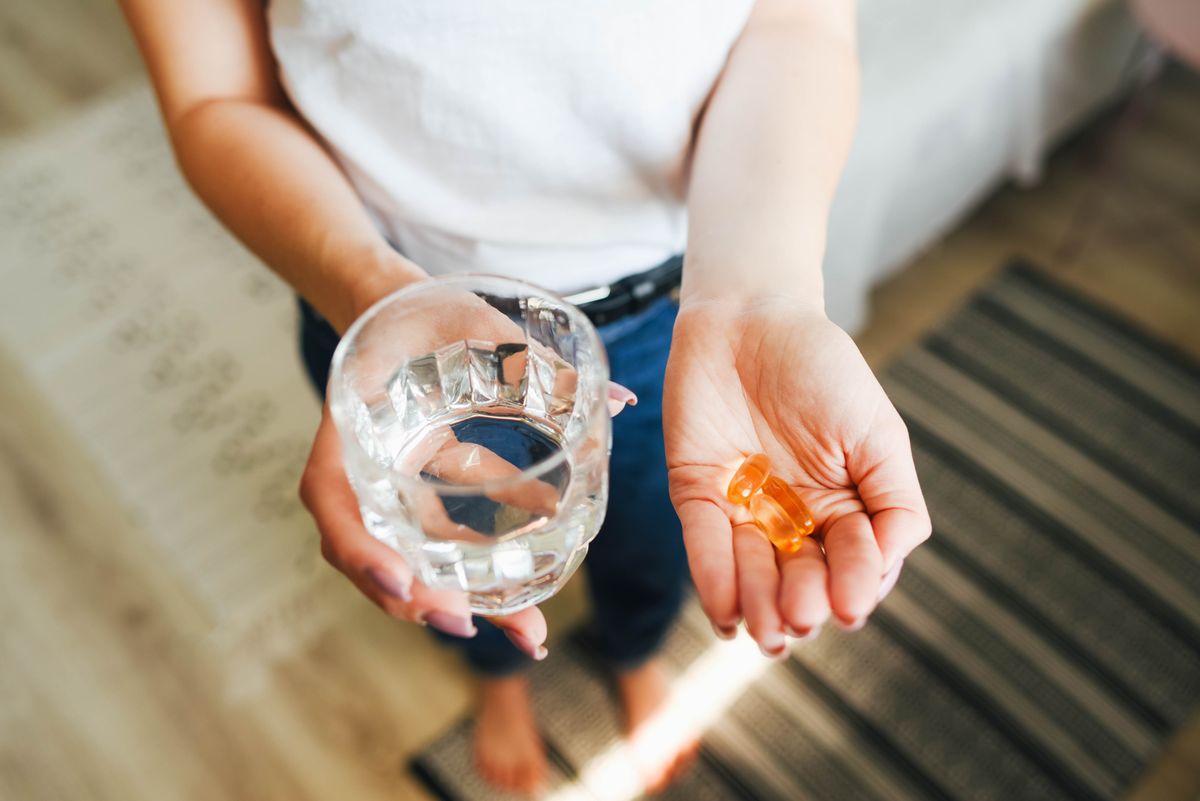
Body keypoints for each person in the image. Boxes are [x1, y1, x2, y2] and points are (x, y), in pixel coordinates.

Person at [120, 0, 930, 794]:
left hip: (670, 312)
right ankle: (498, 675)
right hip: (394, 317)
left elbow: (796, 22)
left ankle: (634, 653)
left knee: (657, 537)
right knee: (463, 556)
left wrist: (759, 295)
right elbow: (216, 97)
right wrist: (369, 291)